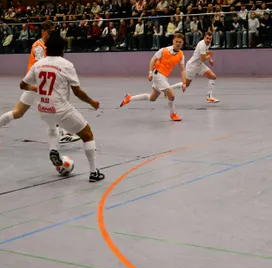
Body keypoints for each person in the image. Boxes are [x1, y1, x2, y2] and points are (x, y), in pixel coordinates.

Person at [19, 32, 105, 182]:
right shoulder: (66, 65)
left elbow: (23, 85)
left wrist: (35, 88)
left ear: (47, 49)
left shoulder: (38, 64)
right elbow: (77, 92)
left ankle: (53, 150)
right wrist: (92, 102)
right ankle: (93, 172)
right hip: (60, 109)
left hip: (43, 108)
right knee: (87, 134)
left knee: (52, 126)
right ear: (62, 49)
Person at [0, 20, 80, 144]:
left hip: (39, 85)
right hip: (36, 85)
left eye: (52, 32)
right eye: (49, 32)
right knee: (21, 112)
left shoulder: (48, 46)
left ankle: (62, 133)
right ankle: (63, 134)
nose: (50, 34)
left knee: (21, 112)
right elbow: (41, 66)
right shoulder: (38, 46)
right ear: (43, 31)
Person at [119, 33, 186, 121]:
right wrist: (150, 72)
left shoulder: (181, 55)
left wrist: (184, 83)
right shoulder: (164, 50)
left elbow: (182, 69)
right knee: (172, 95)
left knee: (152, 98)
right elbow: (153, 59)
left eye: (180, 42)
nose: (178, 44)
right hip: (157, 75)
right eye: (176, 41)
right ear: (173, 41)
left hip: (164, 77)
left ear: (182, 43)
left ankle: (129, 98)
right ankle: (173, 114)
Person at [170, 31, 219, 103]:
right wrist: (209, 56)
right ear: (204, 37)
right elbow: (203, 58)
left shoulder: (208, 43)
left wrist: (210, 59)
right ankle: (169, 89)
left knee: (213, 77)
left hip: (199, 65)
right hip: (192, 66)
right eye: (207, 38)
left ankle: (209, 97)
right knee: (186, 84)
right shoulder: (201, 45)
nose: (208, 40)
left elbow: (206, 53)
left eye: (210, 39)